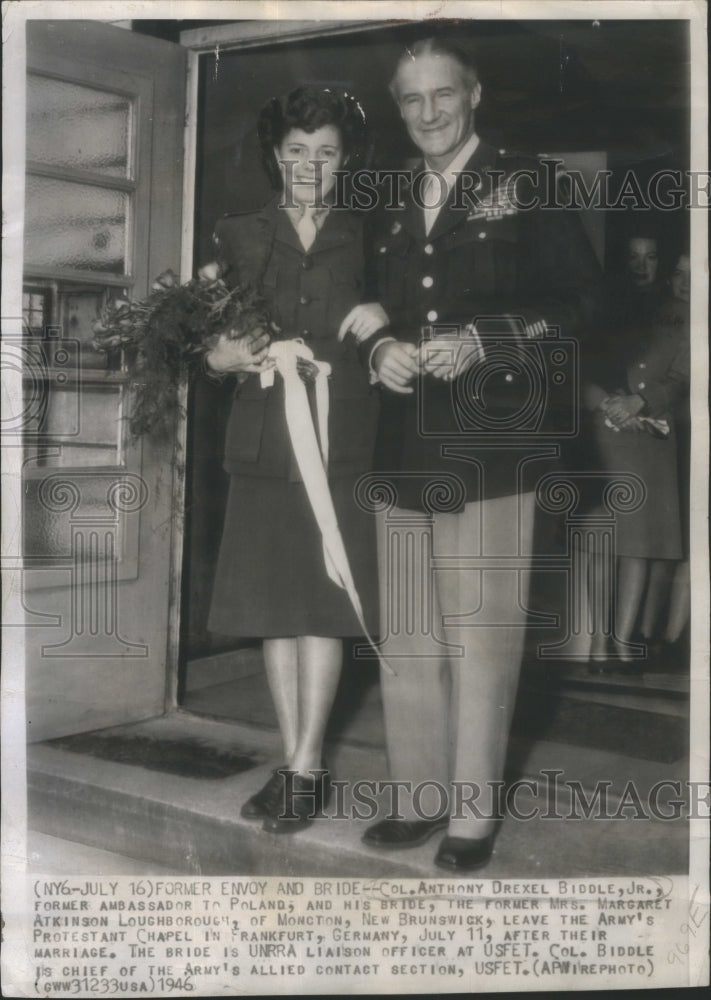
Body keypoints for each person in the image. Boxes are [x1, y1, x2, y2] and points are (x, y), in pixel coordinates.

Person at [350, 38, 602, 870]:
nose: (428, 113)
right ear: (397, 104)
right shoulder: (386, 192)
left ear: (474, 93)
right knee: (410, 636)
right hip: (401, 441)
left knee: (481, 638)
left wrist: (486, 339)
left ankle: (469, 813)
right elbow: (370, 302)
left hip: (495, 440)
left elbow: (578, 305)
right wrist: (378, 346)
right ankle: (416, 798)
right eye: (411, 99)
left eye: (442, 95)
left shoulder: (531, 181)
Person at [204, 86, 387, 834]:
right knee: (275, 614)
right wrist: (217, 357)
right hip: (263, 441)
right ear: (276, 158)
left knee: (322, 608)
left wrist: (386, 323)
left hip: (340, 442)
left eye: (327, 152)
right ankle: (294, 760)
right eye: (297, 151)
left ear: (345, 161)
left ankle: (307, 767)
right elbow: (201, 339)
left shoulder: (371, 235)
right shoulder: (237, 234)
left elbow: (393, 324)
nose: (311, 165)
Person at [580, 233, 690, 670]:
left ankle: (623, 641)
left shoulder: (682, 315)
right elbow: (577, 361)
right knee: (600, 541)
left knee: (640, 545)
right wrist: (604, 402)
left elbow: (684, 375)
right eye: (633, 256)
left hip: (652, 436)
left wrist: (642, 402)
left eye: (651, 257)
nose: (642, 266)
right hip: (605, 431)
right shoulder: (599, 307)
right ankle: (598, 642)